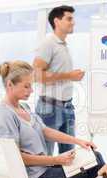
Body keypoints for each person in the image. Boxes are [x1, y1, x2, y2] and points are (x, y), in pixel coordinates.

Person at [0, 61, 107, 178]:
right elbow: (17, 158)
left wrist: (79, 141)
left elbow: (45, 131)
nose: (31, 90)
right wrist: (56, 159)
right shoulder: (5, 114)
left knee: (95, 156)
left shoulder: (24, 108)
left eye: (31, 86)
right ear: (10, 85)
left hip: (45, 171)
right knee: (94, 169)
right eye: (26, 86)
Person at [33, 5, 85, 155]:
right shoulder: (48, 43)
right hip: (49, 108)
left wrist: (71, 76)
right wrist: (69, 76)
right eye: (69, 19)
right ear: (57, 21)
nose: (73, 22)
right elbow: (36, 75)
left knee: (69, 155)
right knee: (46, 155)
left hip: (67, 107)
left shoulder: (62, 45)